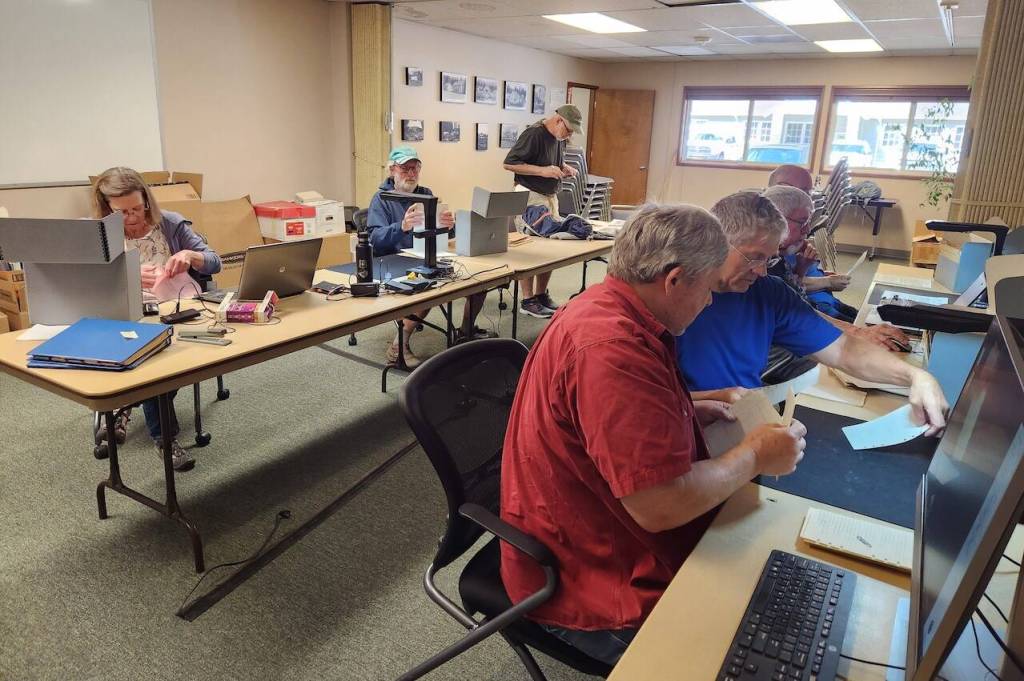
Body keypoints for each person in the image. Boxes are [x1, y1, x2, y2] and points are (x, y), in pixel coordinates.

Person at [500, 204, 809, 666]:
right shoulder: (612, 349)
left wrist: (686, 410)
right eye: (707, 289)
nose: (709, 303)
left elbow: (615, 421)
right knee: (761, 643)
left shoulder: (606, 308)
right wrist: (755, 454)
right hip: (587, 580)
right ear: (674, 279)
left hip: (585, 528)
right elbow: (659, 506)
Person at [676, 191, 948, 438]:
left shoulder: (768, 292)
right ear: (718, 242)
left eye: (769, 259)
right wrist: (712, 398)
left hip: (742, 425)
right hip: (684, 432)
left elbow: (844, 350)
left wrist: (915, 377)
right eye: (754, 257)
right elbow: (644, 396)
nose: (761, 271)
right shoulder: (673, 297)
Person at [93, 166, 222, 472]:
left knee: (159, 363)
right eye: (121, 212)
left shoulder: (171, 224)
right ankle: (165, 441)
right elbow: (87, 281)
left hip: (172, 313)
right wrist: (125, 272)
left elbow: (214, 262)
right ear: (107, 207)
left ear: (147, 201)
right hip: (122, 317)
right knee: (156, 365)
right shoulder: (98, 232)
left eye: (137, 208)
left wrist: (190, 257)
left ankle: (124, 407)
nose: (131, 217)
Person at [367, 146, 488, 367]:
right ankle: (398, 345)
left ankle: (465, 331)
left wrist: (449, 227)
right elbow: (375, 238)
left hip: (424, 254)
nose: (411, 174)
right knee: (429, 283)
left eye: (415, 169)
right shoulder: (381, 199)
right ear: (392, 170)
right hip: (392, 259)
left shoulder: (425, 194)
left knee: (478, 279)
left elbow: (438, 233)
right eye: (405, 169)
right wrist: (401, 227)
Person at [761, 185, 910, 349]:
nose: (808, 230)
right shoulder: (761, 263)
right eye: (802, 222)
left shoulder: (777, 257)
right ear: (777, 218)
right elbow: (795, 313)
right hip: (781, 346)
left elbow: (794, 299)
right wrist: (856, 332)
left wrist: (802, 268)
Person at [501, 104, 583, 318]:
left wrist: (563, 167)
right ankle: (527, 300)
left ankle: (540, 295)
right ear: (558, 121)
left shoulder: (558, 138)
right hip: (529, 195)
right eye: (569, 129)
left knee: (550, 246)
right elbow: (509, 163)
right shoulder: (534, 134)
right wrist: (543, 171)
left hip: (549, 195)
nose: (570, 134)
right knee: (530, 247)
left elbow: (551, 160)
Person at [767, 165, 860, 321]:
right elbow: (794, 308)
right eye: (804, 191)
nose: (807, 231)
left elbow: (791, 284)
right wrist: (827, 282)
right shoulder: (766, 253)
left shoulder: (783, 247)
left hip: (808, 300)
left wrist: (803, 268)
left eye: (809, 192)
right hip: (809, 309)